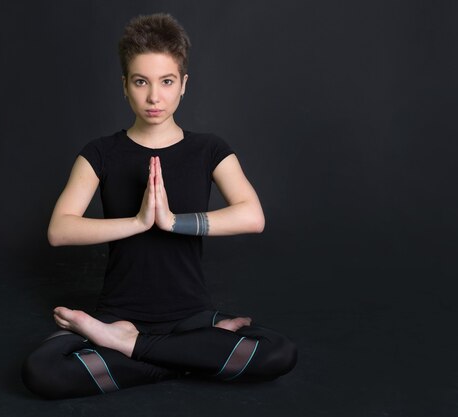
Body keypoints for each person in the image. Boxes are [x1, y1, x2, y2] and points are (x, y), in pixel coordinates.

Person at [22, 13, 297, 399]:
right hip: (119, 313)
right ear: (124, 86)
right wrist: (138, 221)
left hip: (191, 317)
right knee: (43, 370)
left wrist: (171, 221)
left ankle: (126, 345)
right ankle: (192, 357)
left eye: (166, 82)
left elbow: (252, 216)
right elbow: (59, 229)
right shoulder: (100, 153)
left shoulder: (209, 149)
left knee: (279, 353)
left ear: (183, 85)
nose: (154, 97)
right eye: (141, 82)